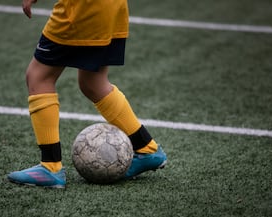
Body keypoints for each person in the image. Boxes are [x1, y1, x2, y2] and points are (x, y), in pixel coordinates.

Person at [8, 0, 167, 188]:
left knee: (38, 77)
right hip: (113, 7)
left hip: (82, 8)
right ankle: (148, 149)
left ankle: (50, 166)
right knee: (93, 82)